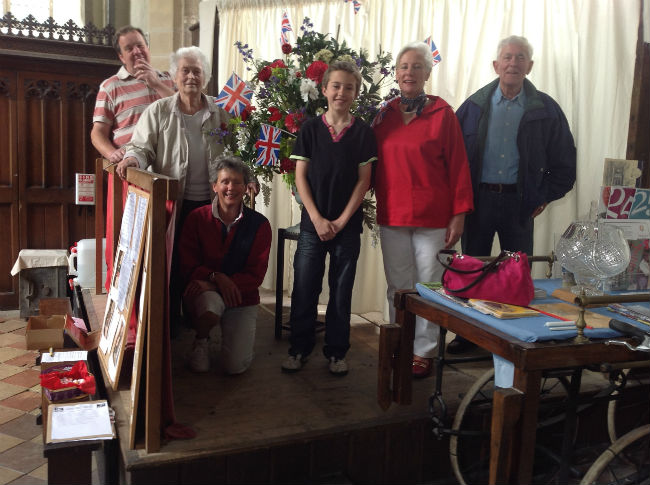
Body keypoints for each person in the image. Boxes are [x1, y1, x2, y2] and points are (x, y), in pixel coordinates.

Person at [453, 35, 576, 354]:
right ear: (496, 65)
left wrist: (543, 196)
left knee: (515, 273)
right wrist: (458, 201)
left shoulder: (546, 110)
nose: (513, 63)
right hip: (478, 202)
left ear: (530, 66)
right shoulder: (473, 106)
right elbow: (452, 158)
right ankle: (468, 335)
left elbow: (565, 161)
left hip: (520, 205)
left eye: (520, 57)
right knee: (473, 268)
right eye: (507, 57)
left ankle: (510, 337)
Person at [373, 42, 474, 378]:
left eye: (417, 67)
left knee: (429, 286)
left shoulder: (443, 114)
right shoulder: (382, 115)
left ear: (428, 74)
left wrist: (458, 214)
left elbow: (459, 167)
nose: (409, 73)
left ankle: (424, 351)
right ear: (396, 73)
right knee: (398, 286)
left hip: (434, 218)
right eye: (404, 66)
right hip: (393, 214)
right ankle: (398, 342)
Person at [117, 46, 231, 336]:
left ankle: (201, 327)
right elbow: (141, 147)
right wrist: (133, 159)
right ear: (174, 77)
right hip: (173, 203)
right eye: (186, 70)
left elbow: (235, 153)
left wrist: (248, 176)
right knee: (170, 264)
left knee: (204, 265)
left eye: (197, 71)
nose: (191, 76)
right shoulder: (159, 111)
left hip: (210, 204)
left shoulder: (220, 113)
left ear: (205, 77)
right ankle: (168, 327)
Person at [281, 61, 377, 376]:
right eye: (336, 85)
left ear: (356, 93)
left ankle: (337, 352)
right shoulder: (310, 129)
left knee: (341, 291)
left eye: (349, 87)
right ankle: (299, 349)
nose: (341, 92)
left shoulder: (363, 132)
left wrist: (340, 220)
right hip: (313, 225)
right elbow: (301, 178)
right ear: (324, 90)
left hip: (346, 228)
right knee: (305, 288)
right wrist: (319, 219)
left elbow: (364, 181)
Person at [178, 156, 271, 374]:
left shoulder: (260, 225)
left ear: (246, 187)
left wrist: (219, 282)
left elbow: (255, 275)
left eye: (237, 182)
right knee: (209, 306)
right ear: (214, 186)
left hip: (241, 296)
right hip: (205, 293)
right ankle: (201, 341)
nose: (231, 188)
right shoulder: (196, 218)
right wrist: (215, 277)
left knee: (235, 367)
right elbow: (186, 263)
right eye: (225, 181)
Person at [91, 25, 175, 162]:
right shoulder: (110, 87)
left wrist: (156, 84)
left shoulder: (170, 79)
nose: (137, 51)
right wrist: (112, 153)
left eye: (140, 46)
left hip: (170, 163)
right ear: (121, 57)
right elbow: (98, 132)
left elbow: (185, 110)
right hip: (133, 168)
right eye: (129, 49)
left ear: (148, 48)